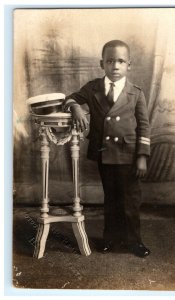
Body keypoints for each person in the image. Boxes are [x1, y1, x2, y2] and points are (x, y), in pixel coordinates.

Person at [63, 40, 151, 257]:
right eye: (110, 61)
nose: (116, 66)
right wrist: (75, 107)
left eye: (121, 61)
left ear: (129, 64)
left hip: (129, 155)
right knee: (111, 199)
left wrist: (142, 156)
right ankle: (110, 239)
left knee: (130, 200)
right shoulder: (93, 88)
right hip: (105, 153)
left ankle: (134, 242)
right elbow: (69, 98)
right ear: (102, 63)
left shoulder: (136, 93)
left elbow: (144, 127)